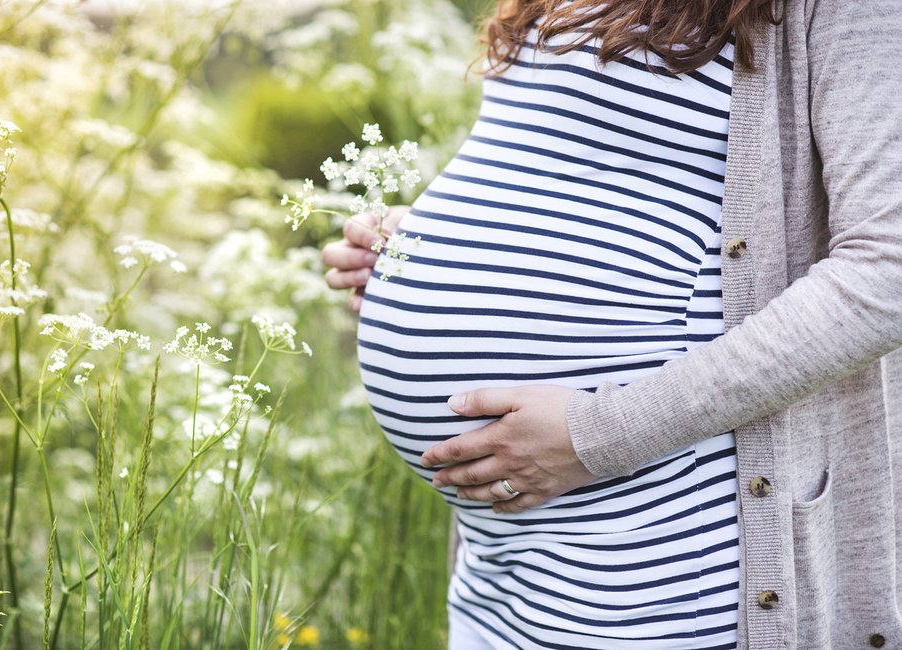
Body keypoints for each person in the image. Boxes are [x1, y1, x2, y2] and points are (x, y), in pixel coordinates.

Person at [321, 0, 902, 647]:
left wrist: (599, 435)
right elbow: (582, 168)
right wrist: (421, 248)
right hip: (498, 566)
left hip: (656, 552)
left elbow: (887, 270)